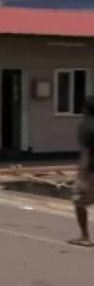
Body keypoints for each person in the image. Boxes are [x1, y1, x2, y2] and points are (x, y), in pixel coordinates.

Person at [70, 96, 94, 247]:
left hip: (91, 171)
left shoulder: (86, 126)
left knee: (79, 201)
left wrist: (81, 176)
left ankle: (85, 236)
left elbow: (86, 152)